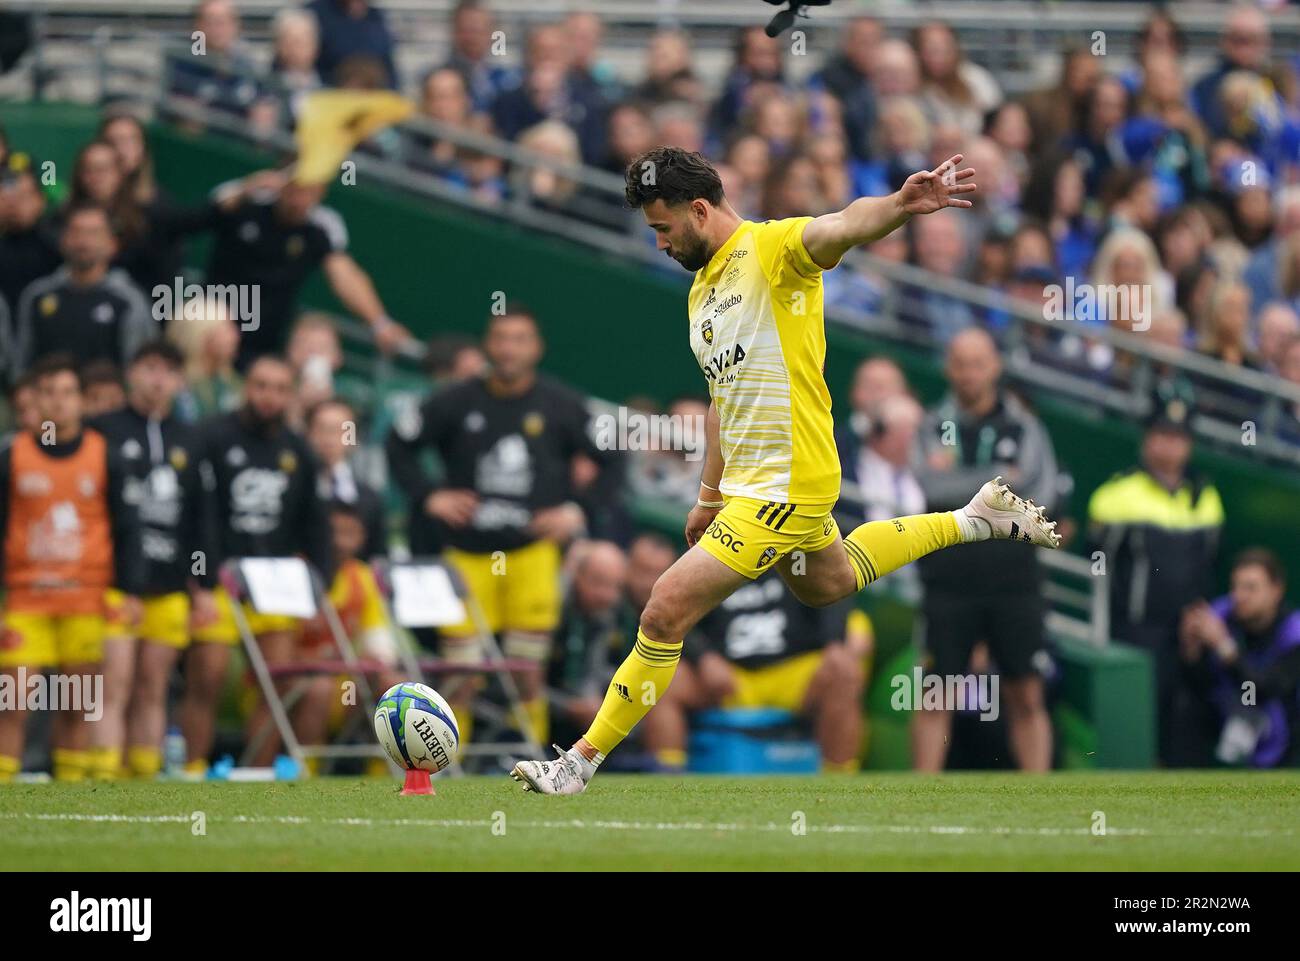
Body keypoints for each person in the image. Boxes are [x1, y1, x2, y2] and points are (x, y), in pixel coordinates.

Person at [511, 146, 1061, 795]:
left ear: (699, 209)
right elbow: (722, 401)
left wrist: (898, 207)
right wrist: (708, 493)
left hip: (789, 482)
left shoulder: (772, 250)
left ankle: (579, 762)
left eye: (663, 229)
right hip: (749, 486)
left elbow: (839, 225)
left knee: (662, 610)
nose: (658, 243)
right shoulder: (700, 292)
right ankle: (974, 519)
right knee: (827, 582)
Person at [385, 307, 611, 746]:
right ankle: (448, 766)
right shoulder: (456, 400)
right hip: (466, 556)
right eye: (501, 338)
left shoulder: (561, 404)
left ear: (537, 348)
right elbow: (400, 442)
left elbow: (614, 458)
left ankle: (538, 760)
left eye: (520, 339)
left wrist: (577, 510)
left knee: (526, 672)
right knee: (462, 672)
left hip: (532, 555)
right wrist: (430, 495)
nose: (509, 349)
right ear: (488, 345)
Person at [912, 328, 1060, 772]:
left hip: (1014, 577)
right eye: (960, 363)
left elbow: (1042, 493)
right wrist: (1000, 477)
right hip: (947, 575)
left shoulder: (1025, 425)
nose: (969, 374)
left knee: (1026, 691)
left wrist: (963, 481)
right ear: (947, 368)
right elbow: (927, 483)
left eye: (978, 363)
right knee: (936, 689)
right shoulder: (931, 423)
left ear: (995, 366)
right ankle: (918, 797)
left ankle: (1038, 794)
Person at [183, 355, 334, 772]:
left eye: (280, 388)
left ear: (290, 395)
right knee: (208, 677)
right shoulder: (211, 437)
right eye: (261, 385)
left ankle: (258, 774)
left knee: (275, 682)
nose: (269, 397)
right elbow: (193, 513)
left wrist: (322, 578)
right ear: (245, 387)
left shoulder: (298, 450)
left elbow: (315, 522)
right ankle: (192, 771)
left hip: (274, 581)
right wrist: (199, 580)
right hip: (220, 579)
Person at [0, 354, 143, 782]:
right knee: (13, 701)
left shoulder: (106, 457)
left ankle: (71, 794)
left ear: (81, 401)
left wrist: (129, 590)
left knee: (77, 704)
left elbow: (128, 528)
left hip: (86, 599)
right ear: (35, 400)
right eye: (48, 393)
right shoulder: (13, 456)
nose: (58, 402)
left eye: (67, 393)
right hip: (27, 599)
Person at [90, 342, 217, 780]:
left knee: (153, 688)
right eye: (149, 368)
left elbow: (202, 521)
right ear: (131, 374)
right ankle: (104, 780)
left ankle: (144, 783)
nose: (157, 379)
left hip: (169, 587)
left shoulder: (191, 439)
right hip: (115, 584)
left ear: (180, 381)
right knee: (113, 687)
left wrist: (203, 587)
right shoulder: (101, 430)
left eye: (168, 371)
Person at [1088, 399, 1225, 766]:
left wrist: (1198, 621)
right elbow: (1100, 567)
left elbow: (1208, 565)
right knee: (1133, 727)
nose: (1169, 446)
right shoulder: (1115, 496)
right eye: (1162, 435)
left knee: (1183, 726)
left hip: (1186, 635)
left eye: (1179, 438)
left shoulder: (1207, 498)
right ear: (1147, 440)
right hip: (1133, 632)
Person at [645, 572, 872, 773]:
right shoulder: (709, 558)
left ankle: (838, 780)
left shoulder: (800, 553)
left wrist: (834, 641)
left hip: (793, 675)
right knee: (664, 676)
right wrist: (704, 657)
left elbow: (836, 595)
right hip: (732, 679)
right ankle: (668, 775)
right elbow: (675, 614)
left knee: (843, 669)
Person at [204, 170, 412, 367]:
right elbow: (212, 207)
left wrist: (380, 323)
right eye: (295, 190)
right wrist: (248, 188)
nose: (299, 201)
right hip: (210, 326)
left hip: (263, 340)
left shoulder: (322, 226)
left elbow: (344, 275)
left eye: (310, 192)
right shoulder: (249, 200)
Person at [1179, 549, 1300, 768]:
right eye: (1236, 587)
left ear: (1276, 590)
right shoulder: (1221, 615)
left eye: (1251, 588)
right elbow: (1200, 686)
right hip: (1223, 723)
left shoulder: (1294, 631)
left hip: (1282, 744)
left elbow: (1263, 690)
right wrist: (1192, 650)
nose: (1240, 596)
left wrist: (1225, 647)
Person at [10, 203, 153, 382]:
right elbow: (21, 365)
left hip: (107, 406)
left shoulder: (129, 301)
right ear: (62, 240)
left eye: (93, 233)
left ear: (112, 244)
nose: (83, 242)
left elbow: (137, 370)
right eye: (76, 232)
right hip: (46, 405)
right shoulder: (36, 296)